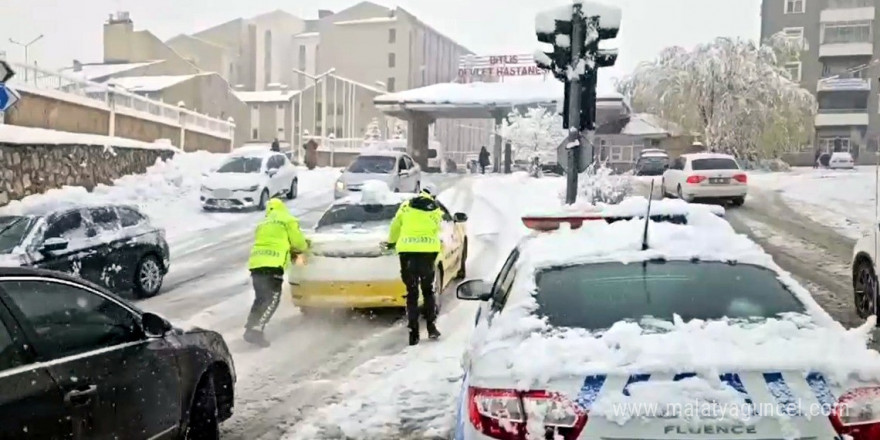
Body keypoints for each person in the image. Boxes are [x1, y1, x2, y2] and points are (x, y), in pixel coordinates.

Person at [245, 198, 309, 347]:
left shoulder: (262, 223)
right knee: (272, 299)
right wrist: (305, 247)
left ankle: (251, 325)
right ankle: (255, 331)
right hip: (273, 264)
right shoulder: (287, 220)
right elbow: (298, 243)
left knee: (261, 298)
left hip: (256, 264)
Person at [385, 183, 444, 345]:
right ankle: (431, 327)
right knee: (427, 290)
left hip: (407, 251)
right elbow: (436, 229)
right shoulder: (435, 209)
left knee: (411, 292)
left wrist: (391, 242)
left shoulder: (406, 206)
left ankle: (414, 332)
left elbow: (396, 225)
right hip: (427, 252)